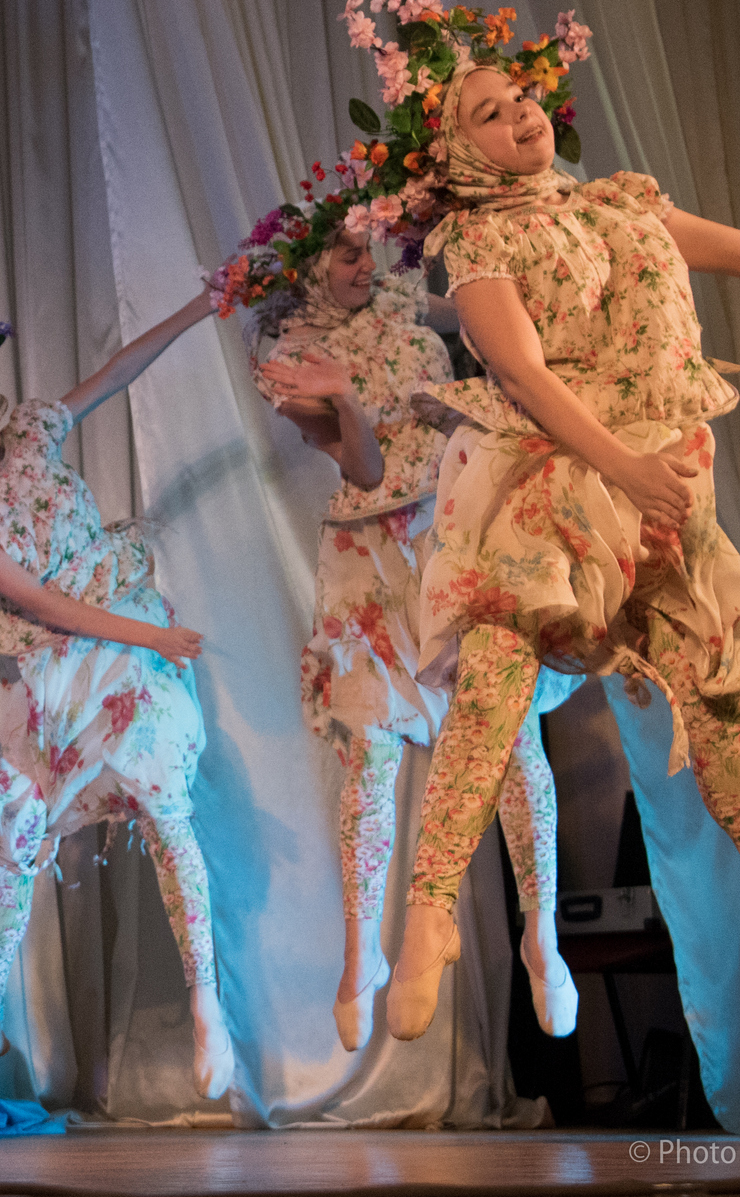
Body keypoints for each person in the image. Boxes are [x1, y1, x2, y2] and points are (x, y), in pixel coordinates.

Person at [337, 0, 740, 1046]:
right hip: (545, 481)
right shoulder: (476, 239)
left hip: (648, 480)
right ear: (454, 156)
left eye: (522, 97)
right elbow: (521, 372)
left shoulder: (618, 207)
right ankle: (428, 917)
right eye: (488, 114)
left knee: (714, 694)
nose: (522, 114)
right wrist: (629, 469)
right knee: (495, 678)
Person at [219, 195, 580, 1051]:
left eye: (365, 250)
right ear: (308, 268)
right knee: (370, 759)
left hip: (453, 528)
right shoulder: (287, 362)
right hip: (371, 557)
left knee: (510, 732)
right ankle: (359, 954)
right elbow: (365, 468)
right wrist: (344, 396)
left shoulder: (407, 302)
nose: (363, 266)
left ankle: (542, 932)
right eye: (345, 255)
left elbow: (494, 325)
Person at [0, 287, 230, 1105]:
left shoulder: (30, 428)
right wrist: (154, 638)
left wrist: (197, 307)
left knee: (162, 794)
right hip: (45, 662)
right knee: (9, 833)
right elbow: (39, 603)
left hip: (116, 642)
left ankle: (208, 997)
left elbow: (117, 372)